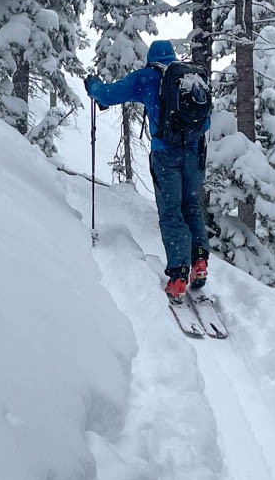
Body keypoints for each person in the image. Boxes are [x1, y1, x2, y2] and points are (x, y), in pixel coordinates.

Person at [84, 40, 211, 302]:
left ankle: (178, 275)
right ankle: (199, 262)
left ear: (151, 59)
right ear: (172, 57)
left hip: (166, 154)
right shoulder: (190, 79)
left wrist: (93, 85)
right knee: (191, 206)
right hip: (194, 153)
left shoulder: (147, 77)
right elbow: (206, 120)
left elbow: (107, 95)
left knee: (170, 211)